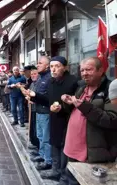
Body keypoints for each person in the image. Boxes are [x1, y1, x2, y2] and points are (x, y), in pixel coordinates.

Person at [60, 57, 117, 185]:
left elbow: (112, 120)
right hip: (71, 149)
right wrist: (68, 104)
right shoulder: (82, 88)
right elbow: (75, 112)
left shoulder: (110, 90)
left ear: (100, 70)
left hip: (92, 155)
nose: (85, 73)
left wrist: (83, 106)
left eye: (89, 70)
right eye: (82, 70)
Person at [24, 56, 78, 180]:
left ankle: (64, 175)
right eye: (52, 66)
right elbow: (48, 100)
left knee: (64, 146)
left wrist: (63, 107)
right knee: (54, 143)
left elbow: (76, 102)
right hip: (54, 117)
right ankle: (55, 170)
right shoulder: (51, 82)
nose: (53, 69)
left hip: (67, 119)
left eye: (57, 66)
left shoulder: (73, 81)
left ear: (65, 67)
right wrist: (35, 95)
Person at [30, 56, 53, 170]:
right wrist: (31, 96)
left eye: (40, 63)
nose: (37, 65)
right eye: (37, 63)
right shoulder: (40, 78)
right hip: (38, 110)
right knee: (40, 135)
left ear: (47, 65)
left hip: (45, 112)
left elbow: (49, 98)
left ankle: (48, 160)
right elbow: (37, 95)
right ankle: (42, 155)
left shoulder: (49, 78)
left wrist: (35, 96)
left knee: (46, 138)